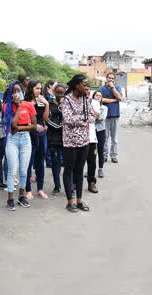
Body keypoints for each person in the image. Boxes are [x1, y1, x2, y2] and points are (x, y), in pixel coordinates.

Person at [61, 74, 95, 212]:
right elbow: (68, 119)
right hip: (70, 142)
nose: (86, 87)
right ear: (77, 85)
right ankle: (70, 201)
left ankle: (80, 200)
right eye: (84, 84)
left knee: (80, 171)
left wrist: (81, 119)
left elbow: (93, 116)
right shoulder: (66, 100)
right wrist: (84, 118)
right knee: (69, 170)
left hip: (84, 141)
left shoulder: (85, 100)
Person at [3, 81, 36, 211]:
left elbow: (34, 125)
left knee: (24, 170)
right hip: (12, 140)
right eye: (14, 91)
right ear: (11, 93)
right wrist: (18, 106)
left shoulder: (29, 105)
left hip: (26, 139)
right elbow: (12, 126)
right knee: (12, 170)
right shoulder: (7, 106)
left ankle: (21, 196)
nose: (17, 93)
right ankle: (10, 198)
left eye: (19, 90)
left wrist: (21, 128)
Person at [24, 80, 49, 200]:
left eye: (40, 88)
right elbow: (23, 119)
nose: (39, 91)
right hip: (30, 133)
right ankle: (28, 189)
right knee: (29, 163)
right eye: (37, 88)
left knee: (40, 162)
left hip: (42, 133)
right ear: (31, 89)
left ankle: (40, 189)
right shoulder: (26, 102)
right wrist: (33, 125)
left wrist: (46, 104)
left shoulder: (41, 101)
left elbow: (45, 118)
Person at [47, 83, 66, 194]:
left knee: (67, 163)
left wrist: (63, 106)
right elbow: (47, 119)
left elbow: (68, 117)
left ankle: (69, 185)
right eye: (58, 92)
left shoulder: (67, 104)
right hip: (53, 137)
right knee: (55, 162)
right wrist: (58, 126)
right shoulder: (49, 104)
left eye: (62, 93)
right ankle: (57, 185)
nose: (60, 95)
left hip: (65, 137)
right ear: (54, 92)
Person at [99, 72, 122, 163]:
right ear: (106, 78)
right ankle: (104, 155)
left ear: (114, 80)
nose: (111, 80)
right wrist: (113, 100)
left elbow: (119, 98)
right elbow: (101, 99)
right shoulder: (101, 88)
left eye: (112, 78)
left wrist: (112, 87)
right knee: (105, 137)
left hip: (115, 115)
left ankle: (114, 155)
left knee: (114, 138)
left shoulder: (117, 88)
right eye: (109, 78)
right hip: (104, 116)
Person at [85, 86, 100, 193]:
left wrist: (88, 105)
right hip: (79, 137)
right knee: (78, 162)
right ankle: (75, 182)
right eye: (84, 90)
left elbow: (96, 117)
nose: (86, 92)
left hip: (91, 137)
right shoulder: (76, 102)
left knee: (92, 162)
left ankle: (91, 182)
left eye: (88, 91)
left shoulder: (95, 103)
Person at [92, 90, 107, 178]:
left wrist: (93, 117)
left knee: (100, 150)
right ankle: (90, 169)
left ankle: (100, 169)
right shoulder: (89, 106)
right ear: (93, 97)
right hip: (91, 131)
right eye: (96, 95)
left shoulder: (104, 108)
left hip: (101, 130)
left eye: (99, 96)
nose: (98, 97)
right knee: (91, 151)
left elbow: (102, 117)